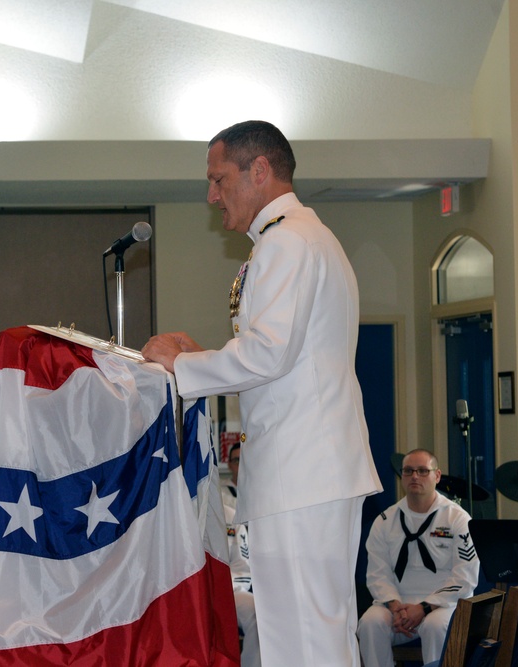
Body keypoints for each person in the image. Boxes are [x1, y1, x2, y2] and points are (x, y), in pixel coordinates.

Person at [142, 120, 381, 667]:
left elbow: (270, 354)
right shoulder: (299, 237)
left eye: (218, 178)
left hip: (302, 471)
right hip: (310, 468)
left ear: (259, 170)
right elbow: (284, 358)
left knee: (302, 638)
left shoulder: (288, 242)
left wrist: (181, 366)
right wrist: (204, 356)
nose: (211, 195)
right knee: (312, 633)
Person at [357, 449, 479, 667]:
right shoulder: (385, 521)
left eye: (423, 471)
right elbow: (377, 574)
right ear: (402, 476)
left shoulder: (457, 519)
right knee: (370, 623)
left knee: (435, 626)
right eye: (408, 471)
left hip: (444, 606)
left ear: (437, 476)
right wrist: (395, 606)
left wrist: (423, 607)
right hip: (398, 606)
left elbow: (465, 578)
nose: (415, 476)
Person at [225, 505, 260, 667]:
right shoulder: (173, 513)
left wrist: (220, 594)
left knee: (258, 613)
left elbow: (242, 570)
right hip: (181, 595)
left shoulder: (231, 518)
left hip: (226, 594)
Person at [221, 443, 241, 509]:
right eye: (236, 460)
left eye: (243, 460)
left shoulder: (259, 491)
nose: (240, 465)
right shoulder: (219, 491)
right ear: (229, 465)